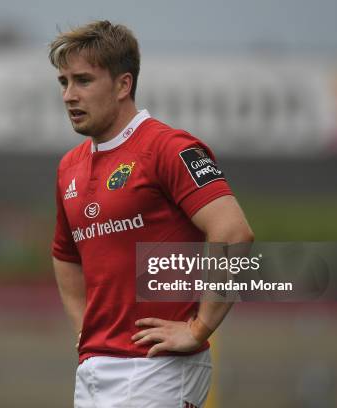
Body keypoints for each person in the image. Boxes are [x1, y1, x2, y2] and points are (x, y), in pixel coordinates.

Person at [49, 20, 254, 408]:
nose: (69, 96)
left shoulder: (169, 148)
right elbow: (65, 255)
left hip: (158, 368)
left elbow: (233, 232)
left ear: (123, 85)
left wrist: (200, 328)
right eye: (63, 83)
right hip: (93, 369)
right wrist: (85, 329)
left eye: (83, 81)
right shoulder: (68, 167)